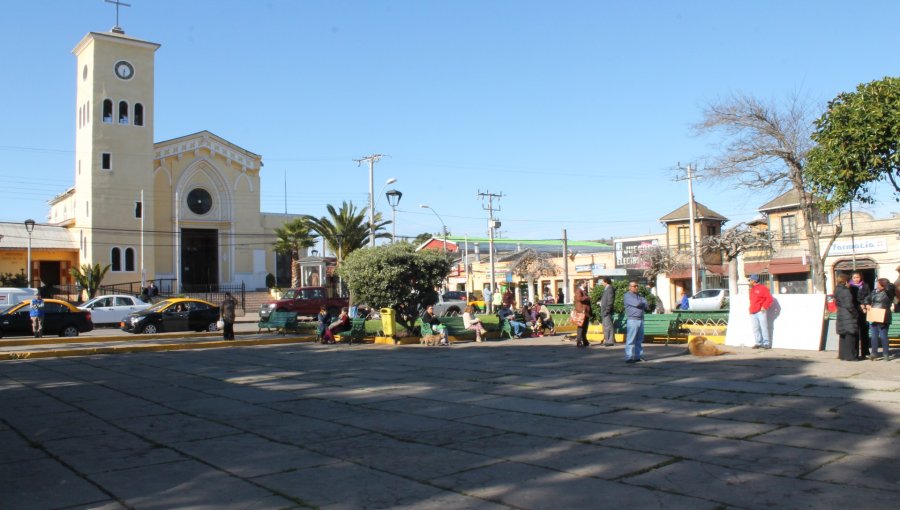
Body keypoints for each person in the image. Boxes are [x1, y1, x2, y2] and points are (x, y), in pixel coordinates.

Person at [863, 278, 892, 361]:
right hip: (873, 315)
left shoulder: (888, 292)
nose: (876, 285)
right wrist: (867, 304)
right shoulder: (874, 292)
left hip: (883, 316)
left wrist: (886, 284)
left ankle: (886, 354)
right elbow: (866, 299)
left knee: (883, 336)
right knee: (874, 336)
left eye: (878, 283)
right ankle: (874, 353)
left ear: (883, 284)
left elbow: (891, 287)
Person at [834, 274, 860, 361]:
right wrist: (855, 313)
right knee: (850, 335)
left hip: (841, 314)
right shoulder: (846, 291)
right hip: (848, 315)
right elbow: (849, 305)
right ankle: (850, 356)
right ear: (846, 282)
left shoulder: (837, 289)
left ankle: (842, 355)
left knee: (843, 336)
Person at [623, 281, 649, 363]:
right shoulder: (627, 295)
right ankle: (629, 357)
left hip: (640, 319)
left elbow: (646, 305)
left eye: (637, 286)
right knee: (631, 340)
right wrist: (642, 303)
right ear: (629, 287)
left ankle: (638, 356)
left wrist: (643, 303)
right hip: (632, 320)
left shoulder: (639, 296)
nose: (636, 287)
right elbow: (637, 303)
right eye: (634, 286)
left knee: (639, 340)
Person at [747, 274, 773, 349]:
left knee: (763, 327)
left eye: (750, 280)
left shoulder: (763, 288)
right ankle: (758, 343)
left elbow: (769, 299)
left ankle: (766, 343)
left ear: (754, 280)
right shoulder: (752, 289)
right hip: (753, 311)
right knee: (755, 328)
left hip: (760, 311)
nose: (749, 281)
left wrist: (764, 306)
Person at [850, 272, 871, 358]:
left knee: (864, 331)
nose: (856, 279)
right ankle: (855, 353)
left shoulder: (865, 285)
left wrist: (865, 304)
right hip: (855, 310)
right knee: (855, 332)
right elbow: (850, 299)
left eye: (857, 277)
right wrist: (859, 305)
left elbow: (868, 296)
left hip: (864, 311)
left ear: (860, 277)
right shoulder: (850, 287)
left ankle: (865, 352)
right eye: (854, 277)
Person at [599, 277, 616, 346]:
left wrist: (607, 310)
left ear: (606, 282)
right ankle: (607, 340)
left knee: (608, 326)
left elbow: (610, 301)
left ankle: (610, 341)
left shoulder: (610, 289)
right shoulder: (606, 289)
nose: (602, 283)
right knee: (606, 326)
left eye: (602, 281)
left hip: (606, 311)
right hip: (604, 310)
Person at [574, 281, 592, 348]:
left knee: (585, 327)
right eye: (585, 283)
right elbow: (579, 298)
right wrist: (588, 297)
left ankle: (585, 341)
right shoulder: (579, 290)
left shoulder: (584, 290)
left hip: (586, 311)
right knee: (581, 327)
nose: (586, 284)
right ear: (582, 284)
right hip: (581, 311)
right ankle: (579, 342)